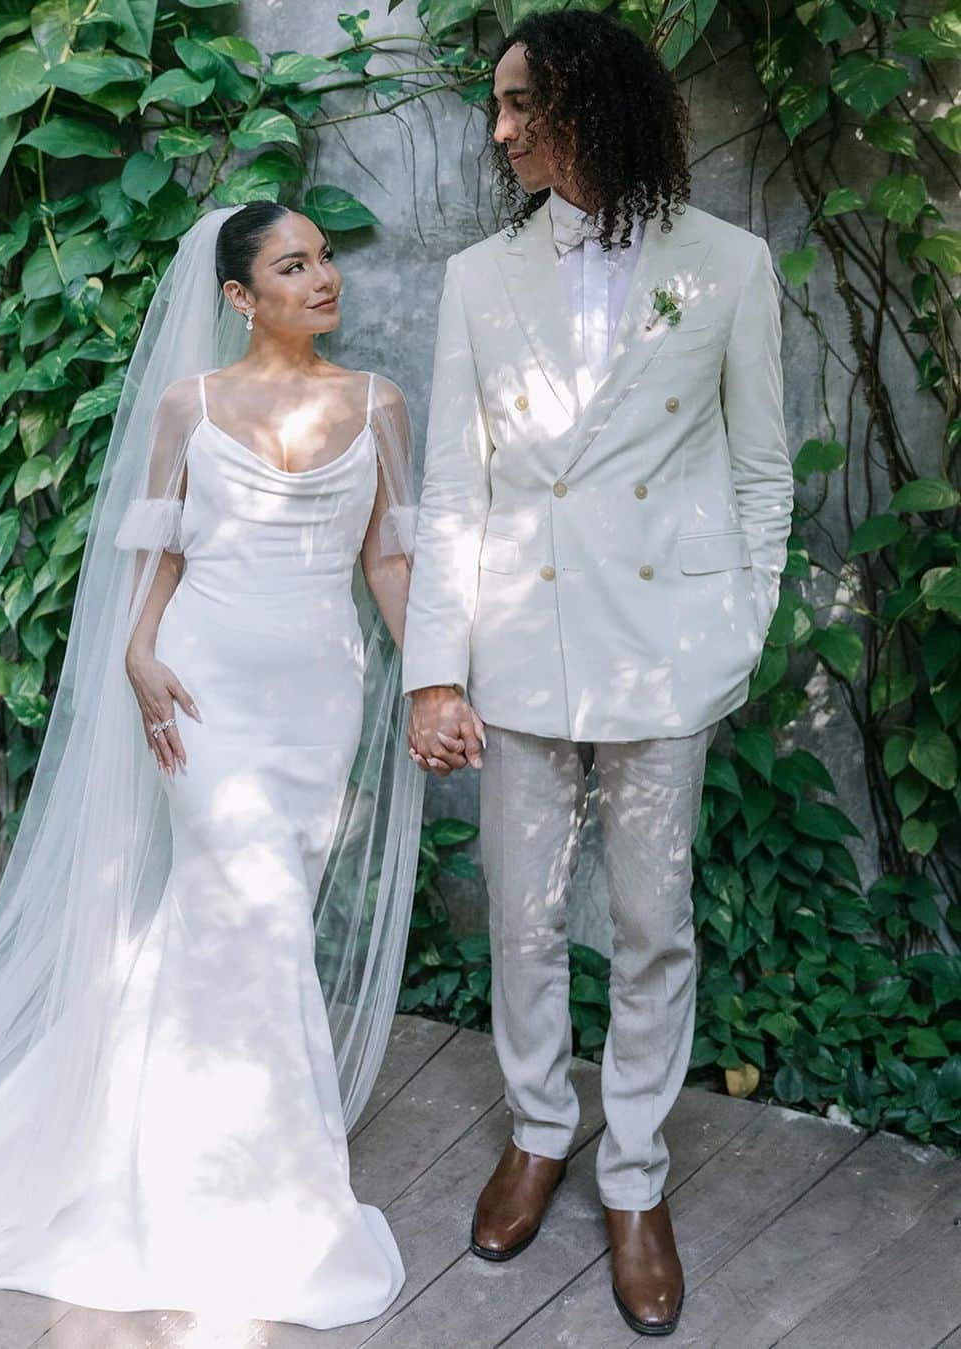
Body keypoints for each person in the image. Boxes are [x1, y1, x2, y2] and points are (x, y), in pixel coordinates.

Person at [0, 204, 423, 1332]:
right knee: (255, 911)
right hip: (204, 689)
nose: (323, 276)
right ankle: (267, 1198)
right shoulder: (192, 407)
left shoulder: (380, 404)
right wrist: (136, 646)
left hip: (319, 700)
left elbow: (385, 559)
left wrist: (435, 677)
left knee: (237, 922)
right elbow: (161, 549)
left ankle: (150, 1135)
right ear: (239, 295)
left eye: (324, 258)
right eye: (293, 264)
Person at [402, 10, 793, 1336]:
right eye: (498, 108)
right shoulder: (474, 280)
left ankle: (633, 1176)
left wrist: (737, 628)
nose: (501, 129)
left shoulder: (730, 266)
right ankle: (535, 1130)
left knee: (652, 922)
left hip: (665, 655)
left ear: (589, 104)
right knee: (518, 917)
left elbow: (760, 472)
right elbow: (454, 486)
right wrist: (433, 672)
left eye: (522, 105)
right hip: (515, 650)